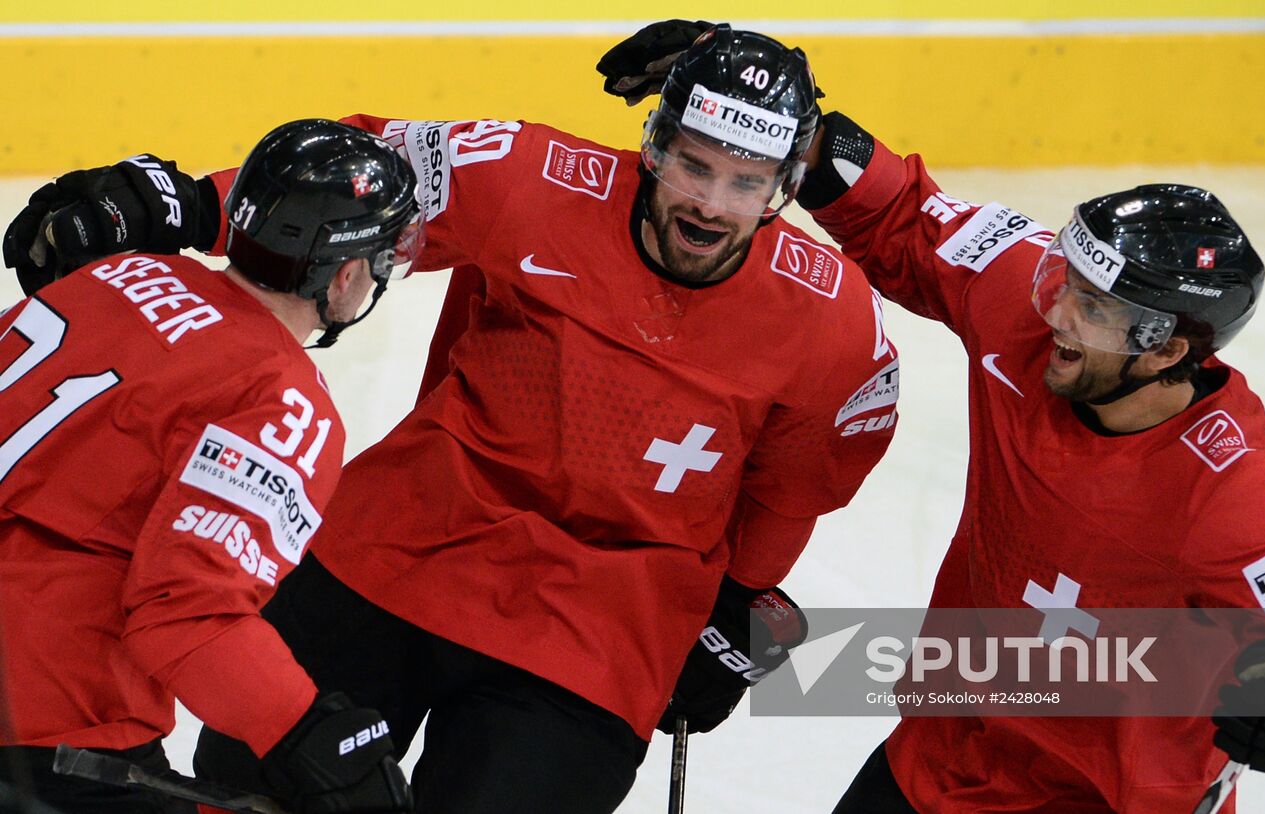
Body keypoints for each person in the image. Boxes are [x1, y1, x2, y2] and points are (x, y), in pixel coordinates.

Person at [4, 25, 899, 813]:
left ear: (785, 186)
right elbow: (361, 183)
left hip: (601, 623)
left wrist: (736, 607)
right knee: (252, 771)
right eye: (695, 165)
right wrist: (189, 205)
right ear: (655, 147)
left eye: (746, 183)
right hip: (405, 543)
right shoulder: (533, 177)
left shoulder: (834, 323)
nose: (710, 202)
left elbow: (797, 482)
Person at [596, 23, 1265, 813]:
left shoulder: (1244, 494)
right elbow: (909, 219)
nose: (1054, 313)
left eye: (1091, 307)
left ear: (1165, 350)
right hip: (938, 767)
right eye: (1065, 279)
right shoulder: (1034, 324)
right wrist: (778, 111)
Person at [0, 119, 421, 814]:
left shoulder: (121, 271)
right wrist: (315, 738)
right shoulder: (282, 398)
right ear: (346, 274)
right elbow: (185, 611)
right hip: (47, 717)